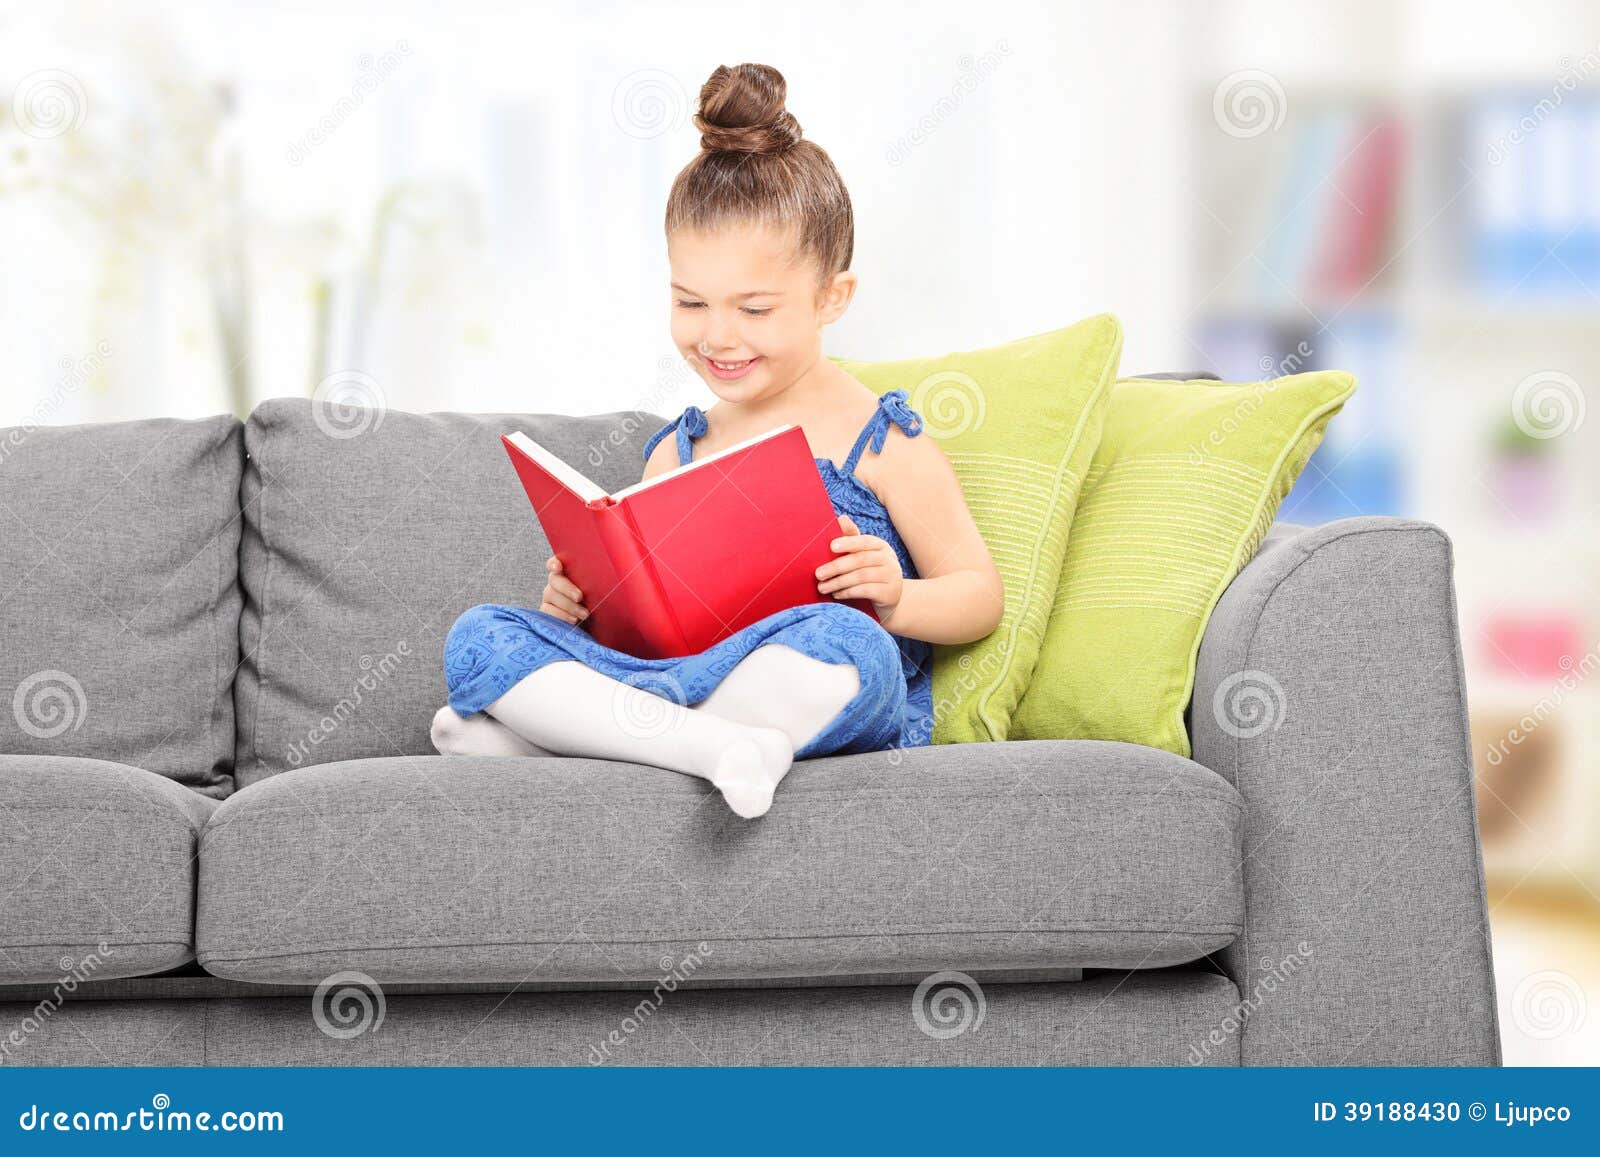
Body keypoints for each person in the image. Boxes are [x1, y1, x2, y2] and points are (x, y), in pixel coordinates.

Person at [432, 63, 1002, 818]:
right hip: (683, 680)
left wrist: (893, 599)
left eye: (755, 309)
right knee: (478, 638)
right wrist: (586, 607)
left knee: (852, 646)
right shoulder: (678, 449)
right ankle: (710, 749)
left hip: (805, 678)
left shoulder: (880, 439)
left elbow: (978, 596)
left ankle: (590, 740)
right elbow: (650, 640)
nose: (718, 335)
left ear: (833, 297)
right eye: (690, 301)